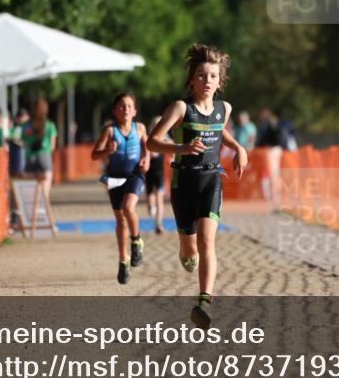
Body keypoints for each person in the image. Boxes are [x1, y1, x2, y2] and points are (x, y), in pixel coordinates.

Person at [147, 44, 248, 330]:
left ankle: (204, 302)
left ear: (220, 81)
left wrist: (238, 147)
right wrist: (181, 146)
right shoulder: (181, 108)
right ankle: (184, 250)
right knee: (190, 250)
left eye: (213, 76)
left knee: (207, 240)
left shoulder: (224, 109)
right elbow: (152, 141)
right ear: (191, 79)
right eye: (201, 76)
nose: (207, 81)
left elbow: (220, 132)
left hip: (211, 179)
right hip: (183, 182)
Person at [91, 92, 149, 284]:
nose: (125, 109)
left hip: (134, 175)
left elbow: (147, 146)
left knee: (128, 208)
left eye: (129, 106)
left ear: (135, 111)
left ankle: (136, 240)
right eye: (121, 106)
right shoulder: (110, 131)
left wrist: (145, 159)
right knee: (120, 219)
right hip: (115, 177)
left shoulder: (139, 128)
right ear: (115, 111)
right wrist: (107, 150)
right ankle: (123, 261)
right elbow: (94, 155)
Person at [22, 98, 58, 200]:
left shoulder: (27, 126)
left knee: (31, 196)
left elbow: (24, 142)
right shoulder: (50, 125)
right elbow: (52, 146)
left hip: (30, 159)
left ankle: (32, 215)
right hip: (45, 158)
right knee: (44, 195)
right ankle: (43, 214)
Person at [145, 115, 167, 235]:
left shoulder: (165, 139)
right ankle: (150, 207)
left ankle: (159, 224)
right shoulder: (148, 139)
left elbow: (175, 146)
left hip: (160, 172)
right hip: (149, 172)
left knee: (159, 198)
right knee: (150, 197)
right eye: (155, 124)